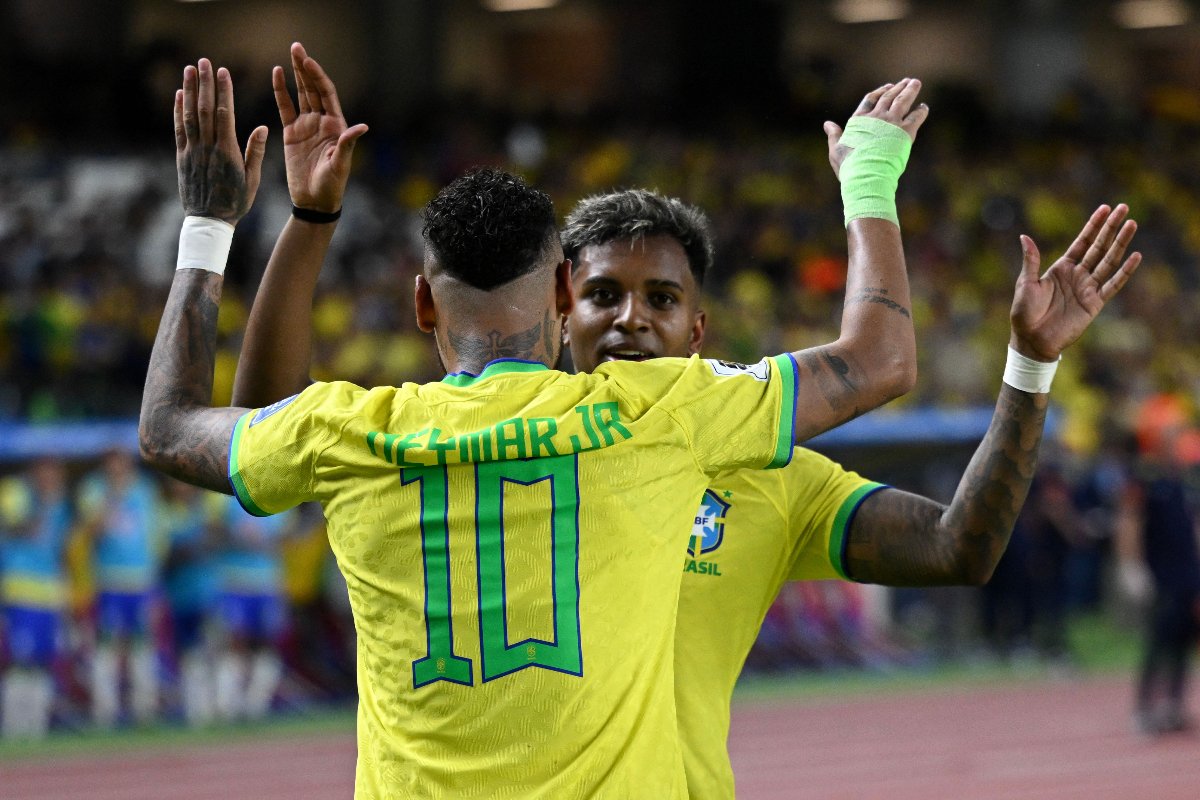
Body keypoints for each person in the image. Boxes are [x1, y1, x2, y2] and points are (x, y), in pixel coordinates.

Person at [230, 46, 1142, 797]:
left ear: (699, 333)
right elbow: (273, 422)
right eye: (601, 295)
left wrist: (1029, 367)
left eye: (661, 298)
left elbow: (956, 548)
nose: (631, 318)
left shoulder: (760, 465)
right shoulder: (450, 444)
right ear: (555, 305)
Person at [140, 51, 922, 798]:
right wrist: (869, 178)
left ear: (422, 304)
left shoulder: (355, 430)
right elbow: (881, 359)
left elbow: (178, 428)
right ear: (561, 292)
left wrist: (229, 223)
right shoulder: (655, 410)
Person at [1116, 421, 1200, 736]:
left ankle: (1173, 705)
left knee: (1184, 638)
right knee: (1159, 640)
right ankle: (1144, 706)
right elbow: (1129, 521)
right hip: (1161, 573)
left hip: (1187, 573)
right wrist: (1131, 566)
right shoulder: (1144, 478)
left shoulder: (1184, 478)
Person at [77, 448, 163, 727]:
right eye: (113, 462)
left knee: (143, 644)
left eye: (123, 462)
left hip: (140, 579)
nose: (118, 467)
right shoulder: (93, 488)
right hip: (109, 579)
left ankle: (145, 709)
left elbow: (156, 535)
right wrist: (112, 497)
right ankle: (105, 711)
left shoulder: (146, 490)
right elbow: (92, 530)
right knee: (106, 645)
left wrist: (153, 573)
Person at [0, 458, 73, 739]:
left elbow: (59, 547)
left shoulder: (61, 506)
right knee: (20, 661)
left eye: (56, 471)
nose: (51, 477)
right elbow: (17, 527)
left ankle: (36, 728)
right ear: (35, 471)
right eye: (46, 470)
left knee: (43, 661)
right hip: (21, 590)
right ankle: (14, 726)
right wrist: (44, 503)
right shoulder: (15, 491)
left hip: (50, 593)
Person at [211, 495, 296, 722]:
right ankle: (227, 706)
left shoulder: (279, 493)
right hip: (234, 580)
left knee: (267, 643)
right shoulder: (225, 494)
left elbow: (286, 536)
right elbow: (213, 531)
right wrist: (235, 537)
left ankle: (257, 706)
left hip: (267, 581)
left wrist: (266, 542)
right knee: (234, 641)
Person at [160, 478, 220, 726]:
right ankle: (195, 710)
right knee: (188, 654)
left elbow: (216, 540)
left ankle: (216, 706)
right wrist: (184, 551)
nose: (181, 487)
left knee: (211, 649)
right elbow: (164, 557)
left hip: (206, 594)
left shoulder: (205, 509)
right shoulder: (164, 514)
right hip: (179, 596)